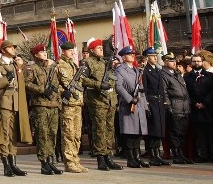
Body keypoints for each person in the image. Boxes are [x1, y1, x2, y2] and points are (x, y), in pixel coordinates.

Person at [0, 40, 31, 177]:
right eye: (11, 47)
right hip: (5, 103)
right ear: (4, 50)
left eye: (13, 47)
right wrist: (7, 79)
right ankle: (6, 164)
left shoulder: (14, 64)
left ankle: (13, 164)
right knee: (4, 133)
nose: (13, 49)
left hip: (16, 103)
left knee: (13, 134)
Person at [82, 39, 122, 171]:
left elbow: (112, 79)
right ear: (92, 50)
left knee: (110, 129)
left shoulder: (106, 62)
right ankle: (100, 158)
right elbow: (83, 79)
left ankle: (108, 156)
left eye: (101, 47)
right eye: (98, 48)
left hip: (110, 100)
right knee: (100, 129)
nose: (101, 49)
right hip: (97, 100)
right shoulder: (88, 62)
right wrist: (98, 85)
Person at [24, 43, 62, 175]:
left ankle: (51, 160)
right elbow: (26, 83)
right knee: (42, 134)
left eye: (45, 52)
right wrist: (41, 90)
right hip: (40, 105)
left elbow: (57, 85)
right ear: (35, 55)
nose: (45, 54)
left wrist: (58, 101)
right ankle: (43, 162)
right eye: (41, 52)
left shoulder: (51, 67)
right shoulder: (32, 68)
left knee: (52, 133)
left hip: (53, 105)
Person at [115, 46, 149, 168]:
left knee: (138, 133)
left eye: (133, 54)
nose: (132, 55)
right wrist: (130, 99)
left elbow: (141, 89)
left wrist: (145, 106)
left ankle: (137, 157)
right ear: (123, 57)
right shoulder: (120, 70)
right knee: (130, 133)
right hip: (129, 105)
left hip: (139, 105)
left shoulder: (136, 70)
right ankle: (131, 159)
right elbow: (118, 87)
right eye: (129, 54)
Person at [56, 41, 87, 173]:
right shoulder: (58, 65)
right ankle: (69, 162)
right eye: (70, 51)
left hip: (77, 103)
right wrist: (63, 92)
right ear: (63, 51)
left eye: (73, 50)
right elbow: (54, 85)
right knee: (68, 133)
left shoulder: (73, 65)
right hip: (68, 105)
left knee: (76, 134)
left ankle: (75, 159)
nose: (73, 52)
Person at [186, 49, 213, 163]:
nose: (196, 63)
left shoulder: (210, 76)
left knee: (212, 134)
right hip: (195, 109)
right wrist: (195, 103)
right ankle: (202, 155)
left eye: (198, 61)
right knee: (200, 134)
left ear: (202, 62)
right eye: (194, 61)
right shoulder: (187, 77)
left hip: (208, 108)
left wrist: (205, 103)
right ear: (191, 63)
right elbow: (187, 92)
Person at [141, 48, 170, 166]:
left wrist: (164, 101)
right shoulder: (145, 71)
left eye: (155, 56)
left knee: (160, 129)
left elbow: (161, 89)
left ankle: (158, 154)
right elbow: (145, 90)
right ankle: (153, 155)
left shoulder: (158, 70)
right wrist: (146, 104)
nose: (155, 58)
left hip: (159, 102)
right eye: (152, 56)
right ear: (147, 57)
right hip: (151, 102)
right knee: (153, 129)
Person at [161, 52, 191, 164]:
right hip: (175, 107)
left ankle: (181, 154)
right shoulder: (163, 75)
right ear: (165, 62)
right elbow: (164, 92)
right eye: (171, 61)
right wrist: (168, 106)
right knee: (175, 133)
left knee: (182, 132)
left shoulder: (177, 74)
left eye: (174, 61)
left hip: (184, 107)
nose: (174, 63)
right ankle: (177, 155)